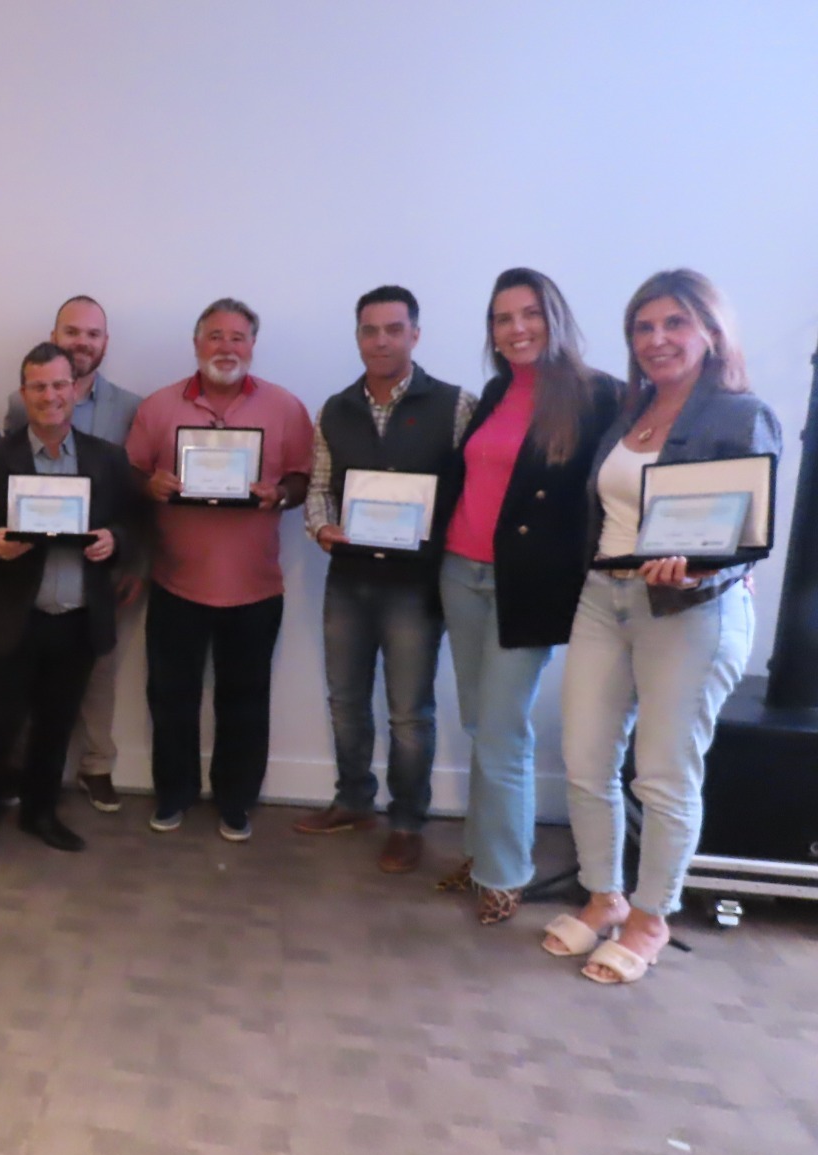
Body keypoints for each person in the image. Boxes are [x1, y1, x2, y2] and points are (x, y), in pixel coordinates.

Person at [544, 270, 780, 983]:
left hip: (691, 611)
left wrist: (700, 568)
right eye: (643, 328)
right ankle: (604, 897)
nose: (657, 340)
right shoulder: (629, 412)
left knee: (664, 774)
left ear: (710, 330)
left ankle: (651, 917)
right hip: (603, 597)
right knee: (586, 761)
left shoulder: (742, 415)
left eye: (675, 323)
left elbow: (750, 531)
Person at [433, 268, 622, 924]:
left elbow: (625, 487)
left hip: (529, 585)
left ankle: (505, 872)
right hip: (461, 571)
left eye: (529, 313)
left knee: (503, 730)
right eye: (502, 318)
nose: (516, 329)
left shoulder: (599, 396)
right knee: (481, 724)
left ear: (554, 317)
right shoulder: (494, 391)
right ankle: (485, 852)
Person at [297, 286, 476, 873]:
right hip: (348, 579)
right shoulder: (334, 409)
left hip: (415, 586)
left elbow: (473, 492)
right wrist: (322, 529)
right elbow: (319, 488)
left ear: (415, 335)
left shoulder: (456, 405)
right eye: (370, 330)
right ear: (357, 337)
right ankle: (353, 801)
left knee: (409, 714)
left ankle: (406, 822)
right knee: (345, 701)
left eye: (394, 329)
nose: (381, 341)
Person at [125, 298, 314, 841]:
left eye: (237, 337)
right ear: (196, 343)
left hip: (255, 587)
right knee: (171, 697)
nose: (226, 347)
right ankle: (174, 794)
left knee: (246, 700)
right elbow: (130, 472)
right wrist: (150, 485)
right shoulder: (159, 406)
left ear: (252, 345)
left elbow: (303, 479)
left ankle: (236, 801)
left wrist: (279, 494)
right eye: (215, 336)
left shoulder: (285, 407)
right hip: (175, 581)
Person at [0, 343, 139, 867]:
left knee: (56, 726)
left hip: (76, 619)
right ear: (23, 393)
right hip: (12, 618)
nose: (50, 396)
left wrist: (115, 540)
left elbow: (133, 522)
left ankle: (40, 812)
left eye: (59, 385)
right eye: (39, 386)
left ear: (74, 390)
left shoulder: (108, 458)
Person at [1, 296, 144, 812]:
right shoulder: (21, 402)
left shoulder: (130, 407)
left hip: (102, 566)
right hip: (37, 564)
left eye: (93, 334)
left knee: (99, 670)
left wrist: (133, 560)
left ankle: (96, 764)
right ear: (54, 337)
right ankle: (23, 767)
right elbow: (10, 477)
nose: (82, 342)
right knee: (27, 671)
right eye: (72, 332)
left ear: (105, 342)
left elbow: (137, 494)